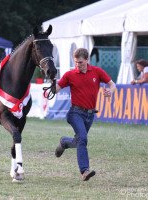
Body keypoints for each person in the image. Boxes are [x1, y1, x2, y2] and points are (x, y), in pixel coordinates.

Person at [54, 48, 116, 181]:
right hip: (75, 113)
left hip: (90, 114)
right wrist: (52, 84)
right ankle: (84, 171)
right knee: (83, 138)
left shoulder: (97, 72)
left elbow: (112, 84)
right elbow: (57, 89)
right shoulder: (69, 75)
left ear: (87, 60)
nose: (78, 65)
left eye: (80, 62)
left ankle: (64, 142)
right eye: (75, 62)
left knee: (79, 140)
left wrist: (110, 91)